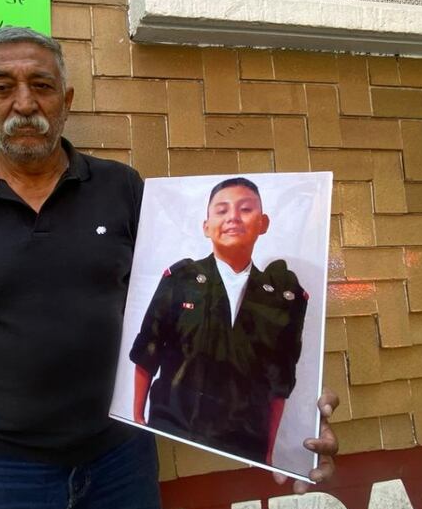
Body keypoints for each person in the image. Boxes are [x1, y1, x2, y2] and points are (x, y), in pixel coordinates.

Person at [0, 26, 339, 509]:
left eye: (42, 86)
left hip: (118, 462)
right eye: (3, 87)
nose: (24, 103)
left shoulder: (123, 190)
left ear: (67, 101)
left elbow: (185, 320)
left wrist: (296, 430)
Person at [130, 177, 308, 466]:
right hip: (173, 427)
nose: (233, 218)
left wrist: (268, 452)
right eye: (222, 210)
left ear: (263, 223)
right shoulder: (180, 280)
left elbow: (280, 380)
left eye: (245, 209)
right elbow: (148, 350)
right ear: (206, 226)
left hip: (244, 439)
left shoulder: (282, 297)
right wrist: (138, 418)